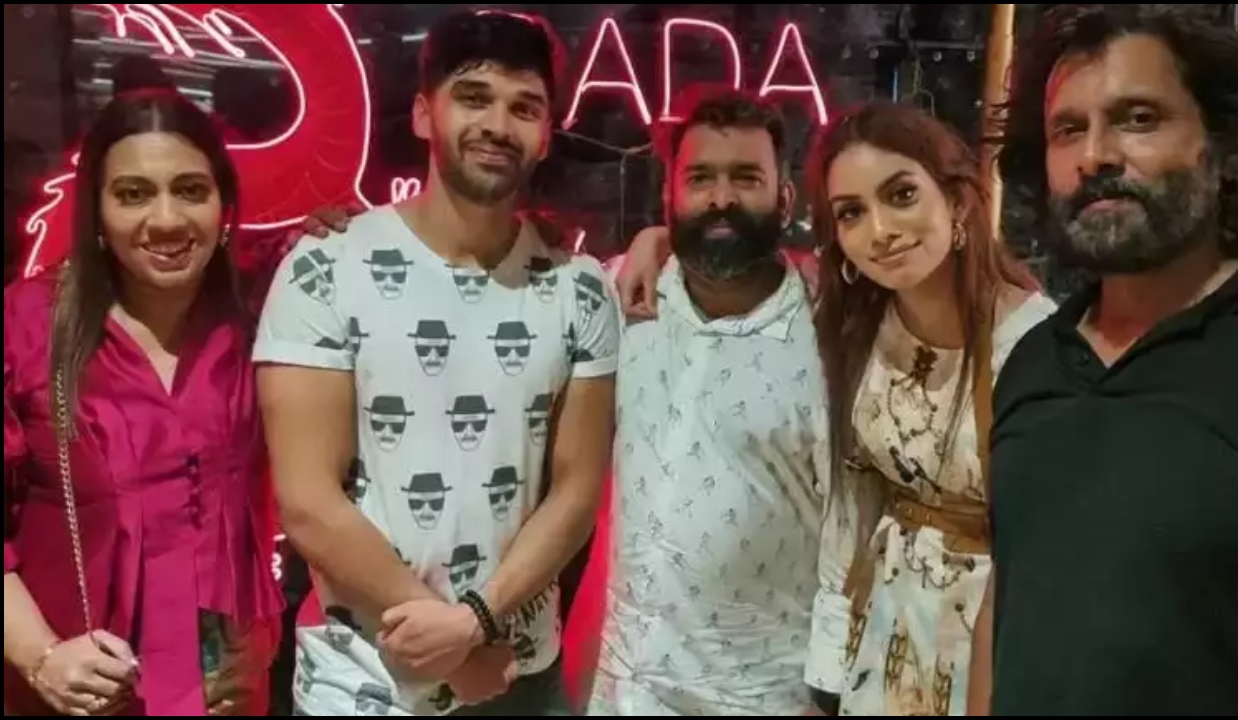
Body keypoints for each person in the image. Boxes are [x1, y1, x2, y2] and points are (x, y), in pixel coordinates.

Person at [253, 10, 619, 717]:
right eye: (473, 97)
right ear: (425, 114)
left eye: (524, 107)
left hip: (518, 676)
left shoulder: (578, 287)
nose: (498, 125)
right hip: (363, 683)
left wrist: (476, 621)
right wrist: (456, 646)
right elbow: (307, 502)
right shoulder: (326, 267)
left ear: (546, 134)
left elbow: (575, 494)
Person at [970, 4, 1238, 716]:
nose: (1095, 156)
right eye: (1067, 130)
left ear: (1228, 151)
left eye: (1138, 118)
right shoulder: (1035, 361)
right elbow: (1008, 597)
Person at [3, 90, 285, 716]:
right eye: (133, 194)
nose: (166, 220)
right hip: (74, 691)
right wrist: (40, 656)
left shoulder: (262, 317)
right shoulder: (25, 326)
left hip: (227, 691)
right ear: (96, 210)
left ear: (224, 203)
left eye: (191, 190)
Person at [802, 101, 1051, 716]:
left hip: (993, 636)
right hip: (884, 624)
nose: (880, 231)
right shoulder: (855, 329)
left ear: (958, 202)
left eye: (902, 195)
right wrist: (827, 668)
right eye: (852, 213)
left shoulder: (1034, 341)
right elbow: (850, 500)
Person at [587, 89, 830, 716]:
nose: (721, 197)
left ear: (785, 199)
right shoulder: (619, 296)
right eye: (700, 179)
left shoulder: (832, 330)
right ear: (670, 197)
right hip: (628, 690)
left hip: (768, 696)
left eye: (746, 178)